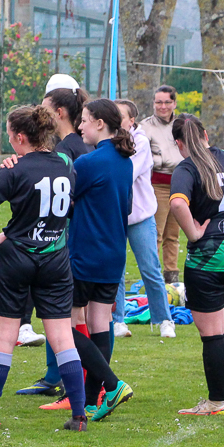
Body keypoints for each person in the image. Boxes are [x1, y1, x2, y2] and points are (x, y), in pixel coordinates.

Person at [0, 105, 90, 431]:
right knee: (63, 337)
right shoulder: (65, 163)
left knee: (4, 340)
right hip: (55, 257)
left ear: (20, 136)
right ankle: (79, 414)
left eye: (10, 134)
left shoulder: (14, 168)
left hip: (17, 256)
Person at [169, 114, 224, 415]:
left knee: (212, 333)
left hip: (210, 256)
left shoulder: (188, 166)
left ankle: (217, 401)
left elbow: (178, 203)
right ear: (206, 134)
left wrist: (194, 232)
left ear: (179, 143)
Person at [14, 76, 92, 402]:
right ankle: (58, 377)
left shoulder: (68, 151)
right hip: (65, 238)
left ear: (58, 112)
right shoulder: (73, 147)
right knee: (63, 314)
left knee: (64, 315)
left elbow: (73, 199)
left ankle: (71, 380)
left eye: (44, 110)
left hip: (62, 241)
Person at [68, 99, 136, 421]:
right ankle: (95, 401)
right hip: (113, 255)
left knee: (63, 329)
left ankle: (112, 384)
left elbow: (63, 203)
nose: (79, 126)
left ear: (99, 124)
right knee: (99, 326)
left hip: (85, 255)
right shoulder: (125, 161)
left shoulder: (88, 163)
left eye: (83, 120)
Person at [112, 99, 175, 340]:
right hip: (115, 216)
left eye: (120, 116)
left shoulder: (140, 141)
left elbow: (126, 173)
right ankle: (117, 321)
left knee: (150, 269)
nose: (115, 120)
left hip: (140, 216)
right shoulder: (105, 140)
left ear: (131, 121)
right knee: (115, 271)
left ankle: (164, 320)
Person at [140, 85, 185, 284]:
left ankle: (172, 278)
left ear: (174, 103)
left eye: (167, 102)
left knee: (173, 235)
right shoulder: (145, 127)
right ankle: (154, 277)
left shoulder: (183, 124)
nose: (163, 106)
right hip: (157, 185)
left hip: (180, 185)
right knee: (156, 234)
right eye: (159, 102)